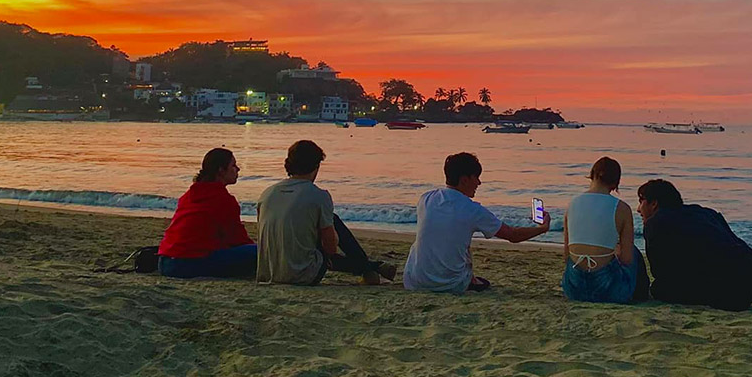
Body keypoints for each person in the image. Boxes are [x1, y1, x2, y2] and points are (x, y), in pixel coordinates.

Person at [403, 152, 550, 293]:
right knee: (477, 272)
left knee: (456, 238)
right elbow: (513, 235)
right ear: (464, 180)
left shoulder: (426, 199)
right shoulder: (473, 210)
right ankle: (469, 279)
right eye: (476, 177)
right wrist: (542, 228)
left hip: (414, 280)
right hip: (449, 284)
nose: (479, 182)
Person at [255, 139, 397, 285]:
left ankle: (373, 267)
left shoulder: (267, 193)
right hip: (301, 275)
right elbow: (330, 249)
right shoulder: (319, 195)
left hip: (268, 272)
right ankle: (369, 267)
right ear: (316, 166)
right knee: (332, 220)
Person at [636, 179, 752, 310]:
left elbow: (660, 271)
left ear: (654, 204)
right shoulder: (707, 213)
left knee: (660, 289)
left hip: (730, 287)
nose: (638, 209)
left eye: (641, 202)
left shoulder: (656, 223)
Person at [158, 148, 258, 278]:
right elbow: (237, 238)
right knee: (258, 252)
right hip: (187, 263)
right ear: (221, 171)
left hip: (164, 262)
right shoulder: (223, 199)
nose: (237, 169)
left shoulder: (189, 195)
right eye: (233, 165)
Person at [561, 156, 649, 303]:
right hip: (609, 291)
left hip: (574, 289)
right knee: (632, 251)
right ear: (615, 183)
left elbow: (566, 255)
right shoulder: (622, 208)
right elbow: (627, 260)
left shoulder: (572, 204)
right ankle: (640, 295)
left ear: (593, 174)